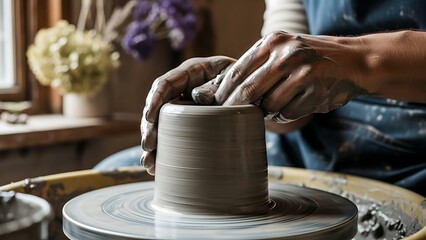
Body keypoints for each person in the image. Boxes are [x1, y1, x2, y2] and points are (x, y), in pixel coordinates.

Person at [98, 0, 426, 196]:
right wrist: (234, 87)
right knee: (109, 180)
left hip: (415, 156)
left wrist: (360, 62)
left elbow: (331, 58)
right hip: (317, 141)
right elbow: (289, 113)